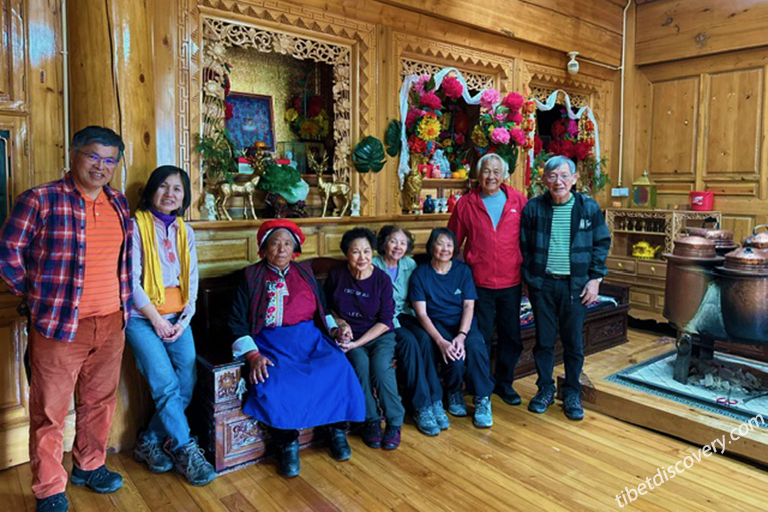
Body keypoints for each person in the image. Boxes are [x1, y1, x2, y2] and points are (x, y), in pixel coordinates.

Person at [0, 126, 131, 512]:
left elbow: (124, 262)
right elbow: (7, 255)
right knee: (50, 412)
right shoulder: (40, 200)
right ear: (73, 154)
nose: (101, 166)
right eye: (93, 156)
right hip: (59, 326)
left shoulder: (119, 203)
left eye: (110, 160)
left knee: (99, 402)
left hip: (111, 323)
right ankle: (49, 488)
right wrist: (36, 296)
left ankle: (89, 466)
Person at [228, 219, 365, 478]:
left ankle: (335, 430)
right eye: (275, 243)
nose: (281, 249)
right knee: (276, 379)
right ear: (263, 249)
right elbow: (236, 322)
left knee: (338, 367)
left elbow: (323, 311)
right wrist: (253, 355)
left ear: (295, 250)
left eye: (287, 244)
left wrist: (335, 330)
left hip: (309, 340)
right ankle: (287, 443)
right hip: (271, 343)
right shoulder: (251, 276)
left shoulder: (305, 273)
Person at [125, 166, 216, 485]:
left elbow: (191, 279)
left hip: (179, 318)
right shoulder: (136, 226)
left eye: (177, 189)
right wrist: (156, 320)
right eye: (163, 187)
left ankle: (149, 440)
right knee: (165, 385)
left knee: (187, 382)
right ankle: (184, 447)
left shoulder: (184, 230)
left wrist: (185, 318)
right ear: (151, 190)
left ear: (184, 197)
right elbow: (131, 281)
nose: (169, 194)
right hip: (142, 318)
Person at [520, 155, 611, 421]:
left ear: (574, 179)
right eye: (552, 176)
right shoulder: (534, 208)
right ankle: (545, 389)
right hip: (543, 286)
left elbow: (601, 244)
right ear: (544, 180)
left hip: (577, 287)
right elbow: (524, 247)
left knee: (573, 343)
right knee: (544, 341)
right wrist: (531, 280)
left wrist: (595, 279)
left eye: (563, 176)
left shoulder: (588, 208)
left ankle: (572, 391)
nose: (558, 181)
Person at [448, 153, 528, 406]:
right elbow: (452, 242)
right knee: (478, 337)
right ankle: (478, 384)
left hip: (511, 281)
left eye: (496, 171)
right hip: (477, 284)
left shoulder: (518, 200)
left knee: (510, 336)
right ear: (478, 174)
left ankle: (504, 384)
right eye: (486, 171)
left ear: (504, 175)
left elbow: (529, 240)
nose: (491, 176)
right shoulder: (466, 203)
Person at [325, 227, 405, 450]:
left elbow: (386, 320)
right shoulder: (337, 275)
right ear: (346, 254)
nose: (362, 257)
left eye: (367, 252)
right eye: (356, 252)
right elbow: (328, 308)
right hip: (351, 337)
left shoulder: (382, 280)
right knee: (359, 365)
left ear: (373, 253)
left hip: (379, 336)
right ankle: (371, 421)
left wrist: (356, 343)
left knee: (380, 368)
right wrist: (341, 324)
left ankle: (394, 422)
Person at [409, 227, 495, 428]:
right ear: (432, 246)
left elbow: (468, 305)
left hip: (463, 322)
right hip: (436, 323)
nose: (445, 249)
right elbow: (421, 313)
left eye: (450, 245)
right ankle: (454, 392)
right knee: (453, 358)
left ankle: (482, 399)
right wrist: (440, 341)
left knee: (474, 347)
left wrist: (462, 335)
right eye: (440, 243)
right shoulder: (420, 274)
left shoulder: (462, 271)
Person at [372, 226, 449, 436]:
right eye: (393, 241)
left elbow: (415, 297)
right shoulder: (373, 264)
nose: (398, 247)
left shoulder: (410, 264)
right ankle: (421, 406)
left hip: (406, 314)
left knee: (424, 338)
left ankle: (435, 400)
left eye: (403, 243)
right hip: (384, 319)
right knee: (409, 342)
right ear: (384, 243)